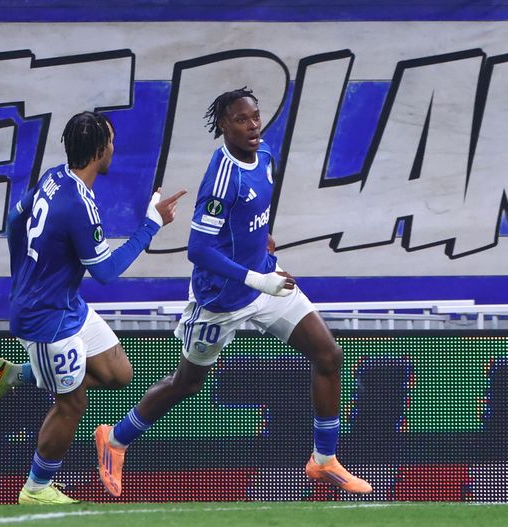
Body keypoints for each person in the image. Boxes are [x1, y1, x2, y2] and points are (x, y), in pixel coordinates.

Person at [94, 88, 372, 497]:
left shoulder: (267, 157)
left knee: (329, 354)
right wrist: (258, 278)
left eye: (255, 116)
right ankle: (115, 440)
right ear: (223, 126)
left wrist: (263, 246)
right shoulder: (221, 179)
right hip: (220, 300)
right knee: (187, 383)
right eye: (242, 119)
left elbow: (253, 217)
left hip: (264, 281)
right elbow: (199, 250)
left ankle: (323, 460)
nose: (253, 125)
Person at [0, 111, 186, 505]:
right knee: (72, 402)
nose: (114, 147)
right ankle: (36, 489)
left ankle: (12, 374)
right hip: (46, 320)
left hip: (66, 303)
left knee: (119, 373)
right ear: (98, 151)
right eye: (110, 141)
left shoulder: (55, 176)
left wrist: (21, 272)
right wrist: (151, 225)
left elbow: (14, 219)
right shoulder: (77, 203)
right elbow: (106, 272)